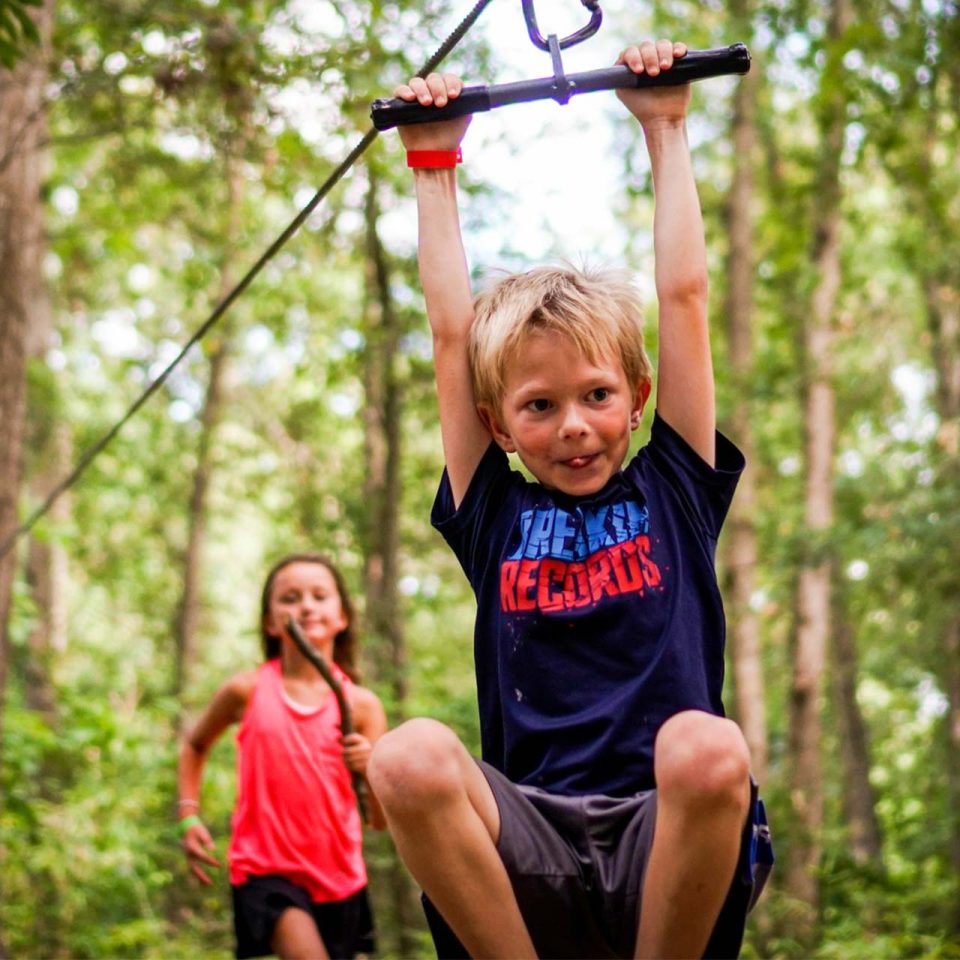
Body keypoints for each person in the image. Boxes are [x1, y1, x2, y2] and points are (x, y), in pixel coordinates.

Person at [366, 39, 772, 960]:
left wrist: (665, 128)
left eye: (596, 396)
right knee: (406, 756)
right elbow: (448, 334)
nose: (575, 426)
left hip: (660, 840)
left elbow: (685, 296)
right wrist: (433, 162)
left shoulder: (674, 485)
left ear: (636, 394)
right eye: (539, 408)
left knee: (708, 748)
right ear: (499, 426)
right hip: (529, 842)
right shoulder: (494, 515)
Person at [178, 553, 388, 960]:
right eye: (290, 598)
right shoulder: (246, 690)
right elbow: (194, 745)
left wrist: (369, 766)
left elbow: (378, 820)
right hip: (264, 875)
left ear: (342, 616)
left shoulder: (363, 707)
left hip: (342, 881)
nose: (306, 606)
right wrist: (189, 814)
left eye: (319, 596)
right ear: (270, 622)